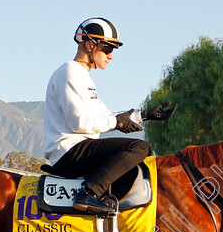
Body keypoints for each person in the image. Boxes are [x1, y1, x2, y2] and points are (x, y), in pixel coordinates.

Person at [43, 17, 177, 214]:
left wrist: (144, 115)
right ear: (89, 45)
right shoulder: (70, 71)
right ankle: (88, 193)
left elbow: (105, 115)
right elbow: (79, 123)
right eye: (107, 49)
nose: (111, 56)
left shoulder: (83, 76)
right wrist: (117, 123)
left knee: (131, 169)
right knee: (140, 147)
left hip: (79, 149)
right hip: (68, 151)